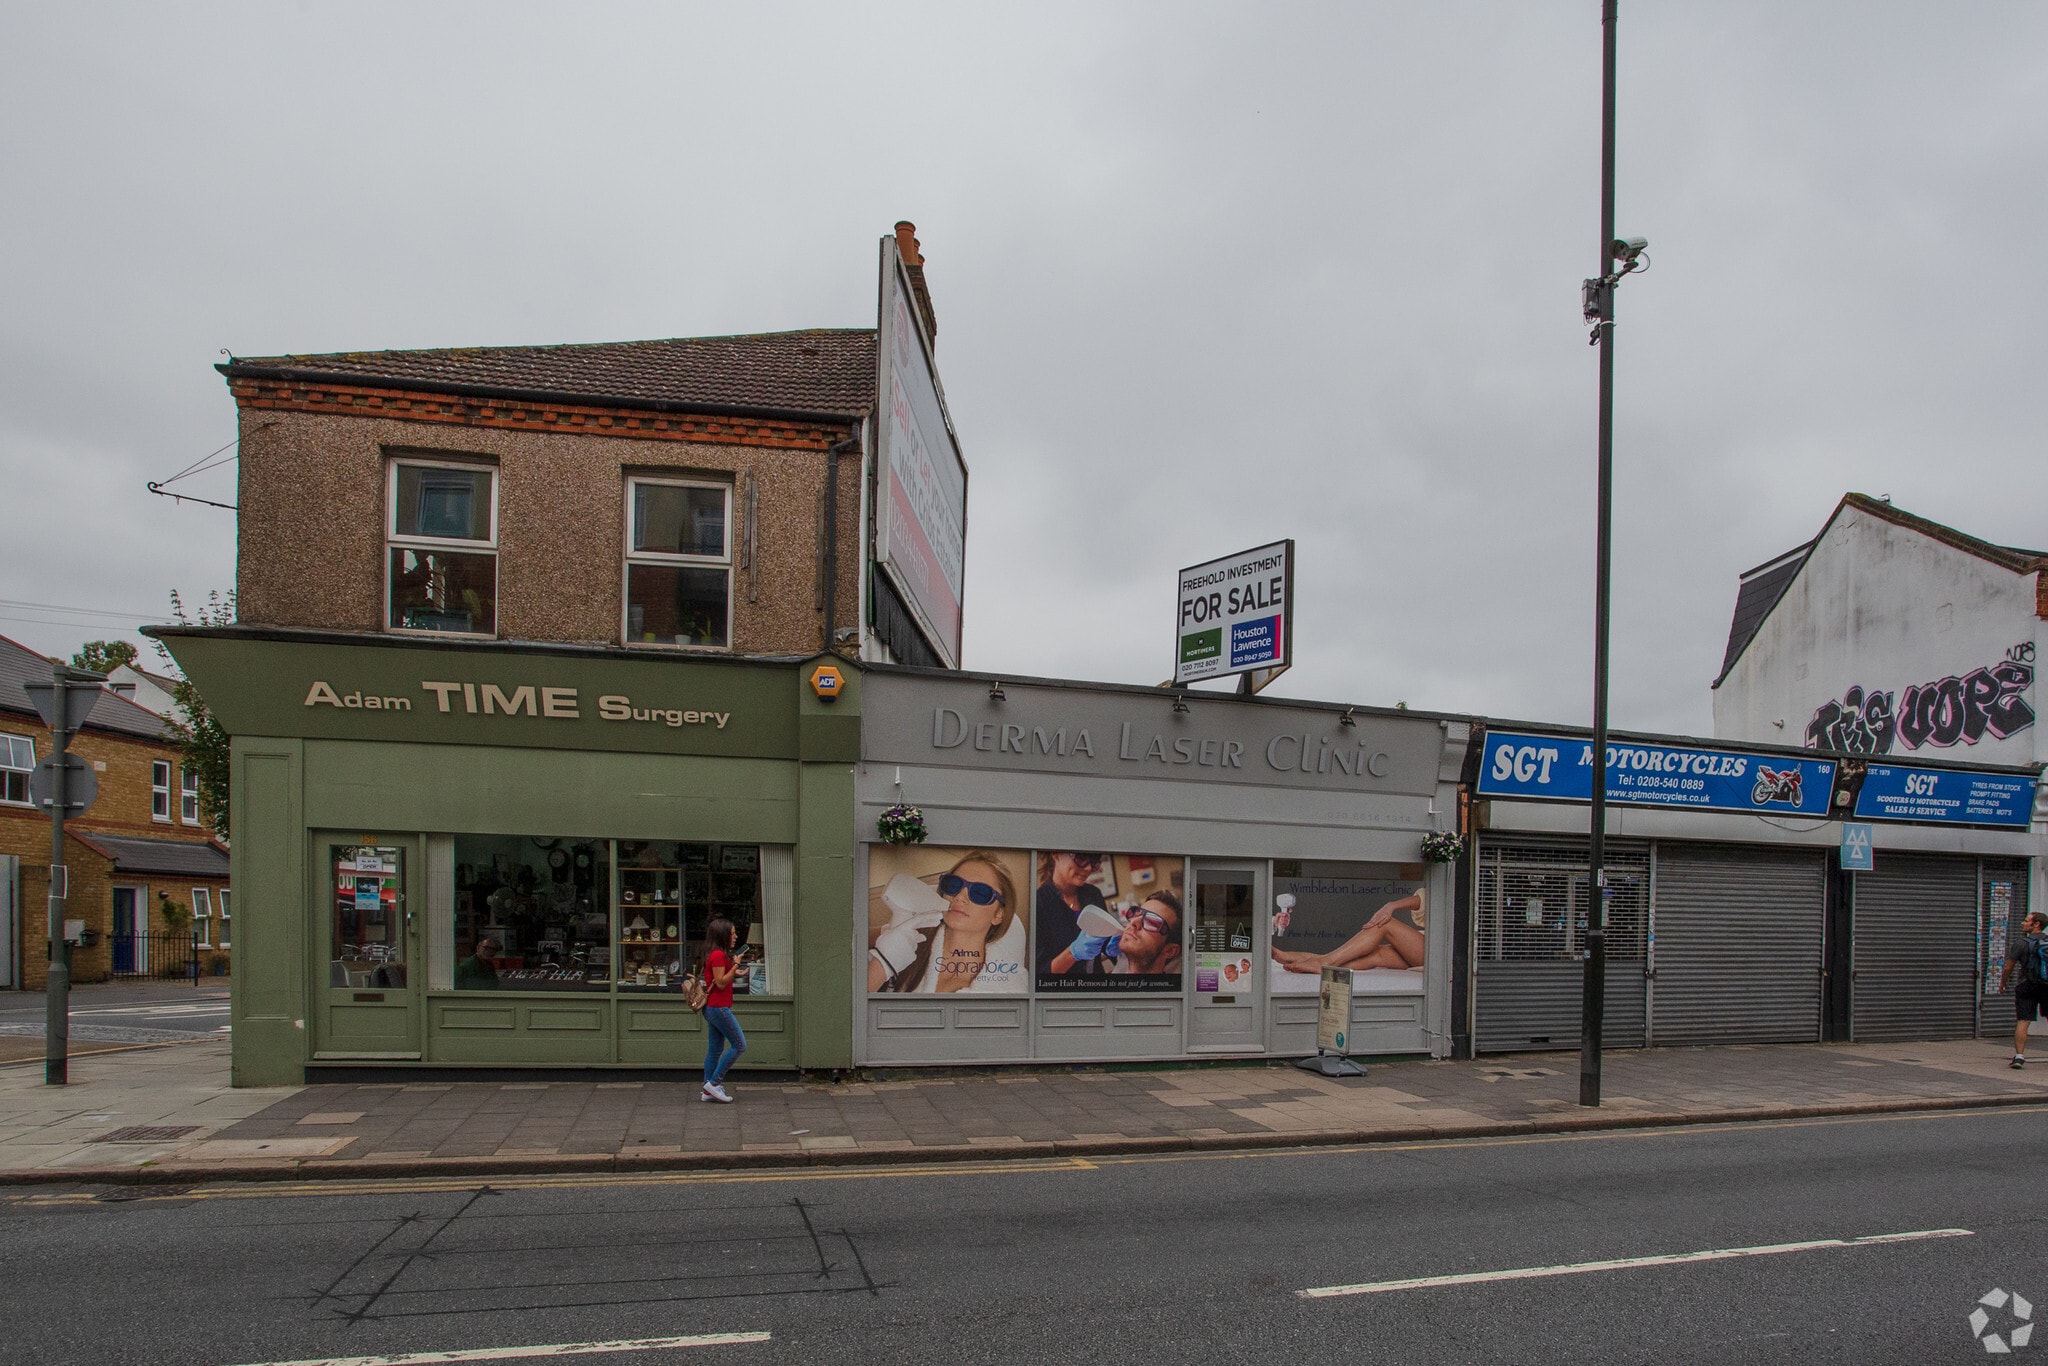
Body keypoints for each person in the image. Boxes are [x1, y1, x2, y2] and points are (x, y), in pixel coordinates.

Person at [869, 853, 1021, 994]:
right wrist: (882, 963)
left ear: (999, 915)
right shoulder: (909, 937)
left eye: (980, 893)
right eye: (953, 884)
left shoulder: (1009, 988)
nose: (960, 897)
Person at [1272, 890, 1426, 974]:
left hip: (1439, 956)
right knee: (1374, 955)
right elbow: (1426, 900)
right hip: (1424, 952)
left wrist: (1390, 906)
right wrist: (1391, 905)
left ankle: (1324, 962)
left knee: (1385, 924)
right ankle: (1309, 960)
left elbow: (1427, 900)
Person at [1050, 890, 1183, 980]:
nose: (1134, 922)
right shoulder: (1122, 966)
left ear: (1170, 950)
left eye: (1152, 922)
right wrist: (1072, 953)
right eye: (1137, 913)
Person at [1035, 852, 1108, 977]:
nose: (1089, 868)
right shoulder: (1038, 903)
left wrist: (1114, 947)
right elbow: (1040, 973)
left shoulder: (1093, 894)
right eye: (1082, 858)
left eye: (1094, 862)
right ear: (1056, 854)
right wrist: (1072, 953)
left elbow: (1103, 942)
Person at [700, 918, 749, 1103]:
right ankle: (714, 1083)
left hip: (712, 1007)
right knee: (739, 1045)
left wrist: (735, 971)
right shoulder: (719, 955)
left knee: (715, 1050)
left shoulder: (715, 953)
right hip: (719, 1007)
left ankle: (707, 1089)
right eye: (732, 934)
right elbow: (720, 982)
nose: (735, 937)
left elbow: (717, 975)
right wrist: (736, 964)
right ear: (723, 935)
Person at [2000, 910, 2048, 1068]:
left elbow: (2008, 966)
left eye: (2026, 921)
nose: (2023, 923)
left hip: (2026, 985)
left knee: (2023, 1020)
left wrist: (2003, 982)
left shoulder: (2022, 943)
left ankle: (2019, 1057)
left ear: (2036, 925)